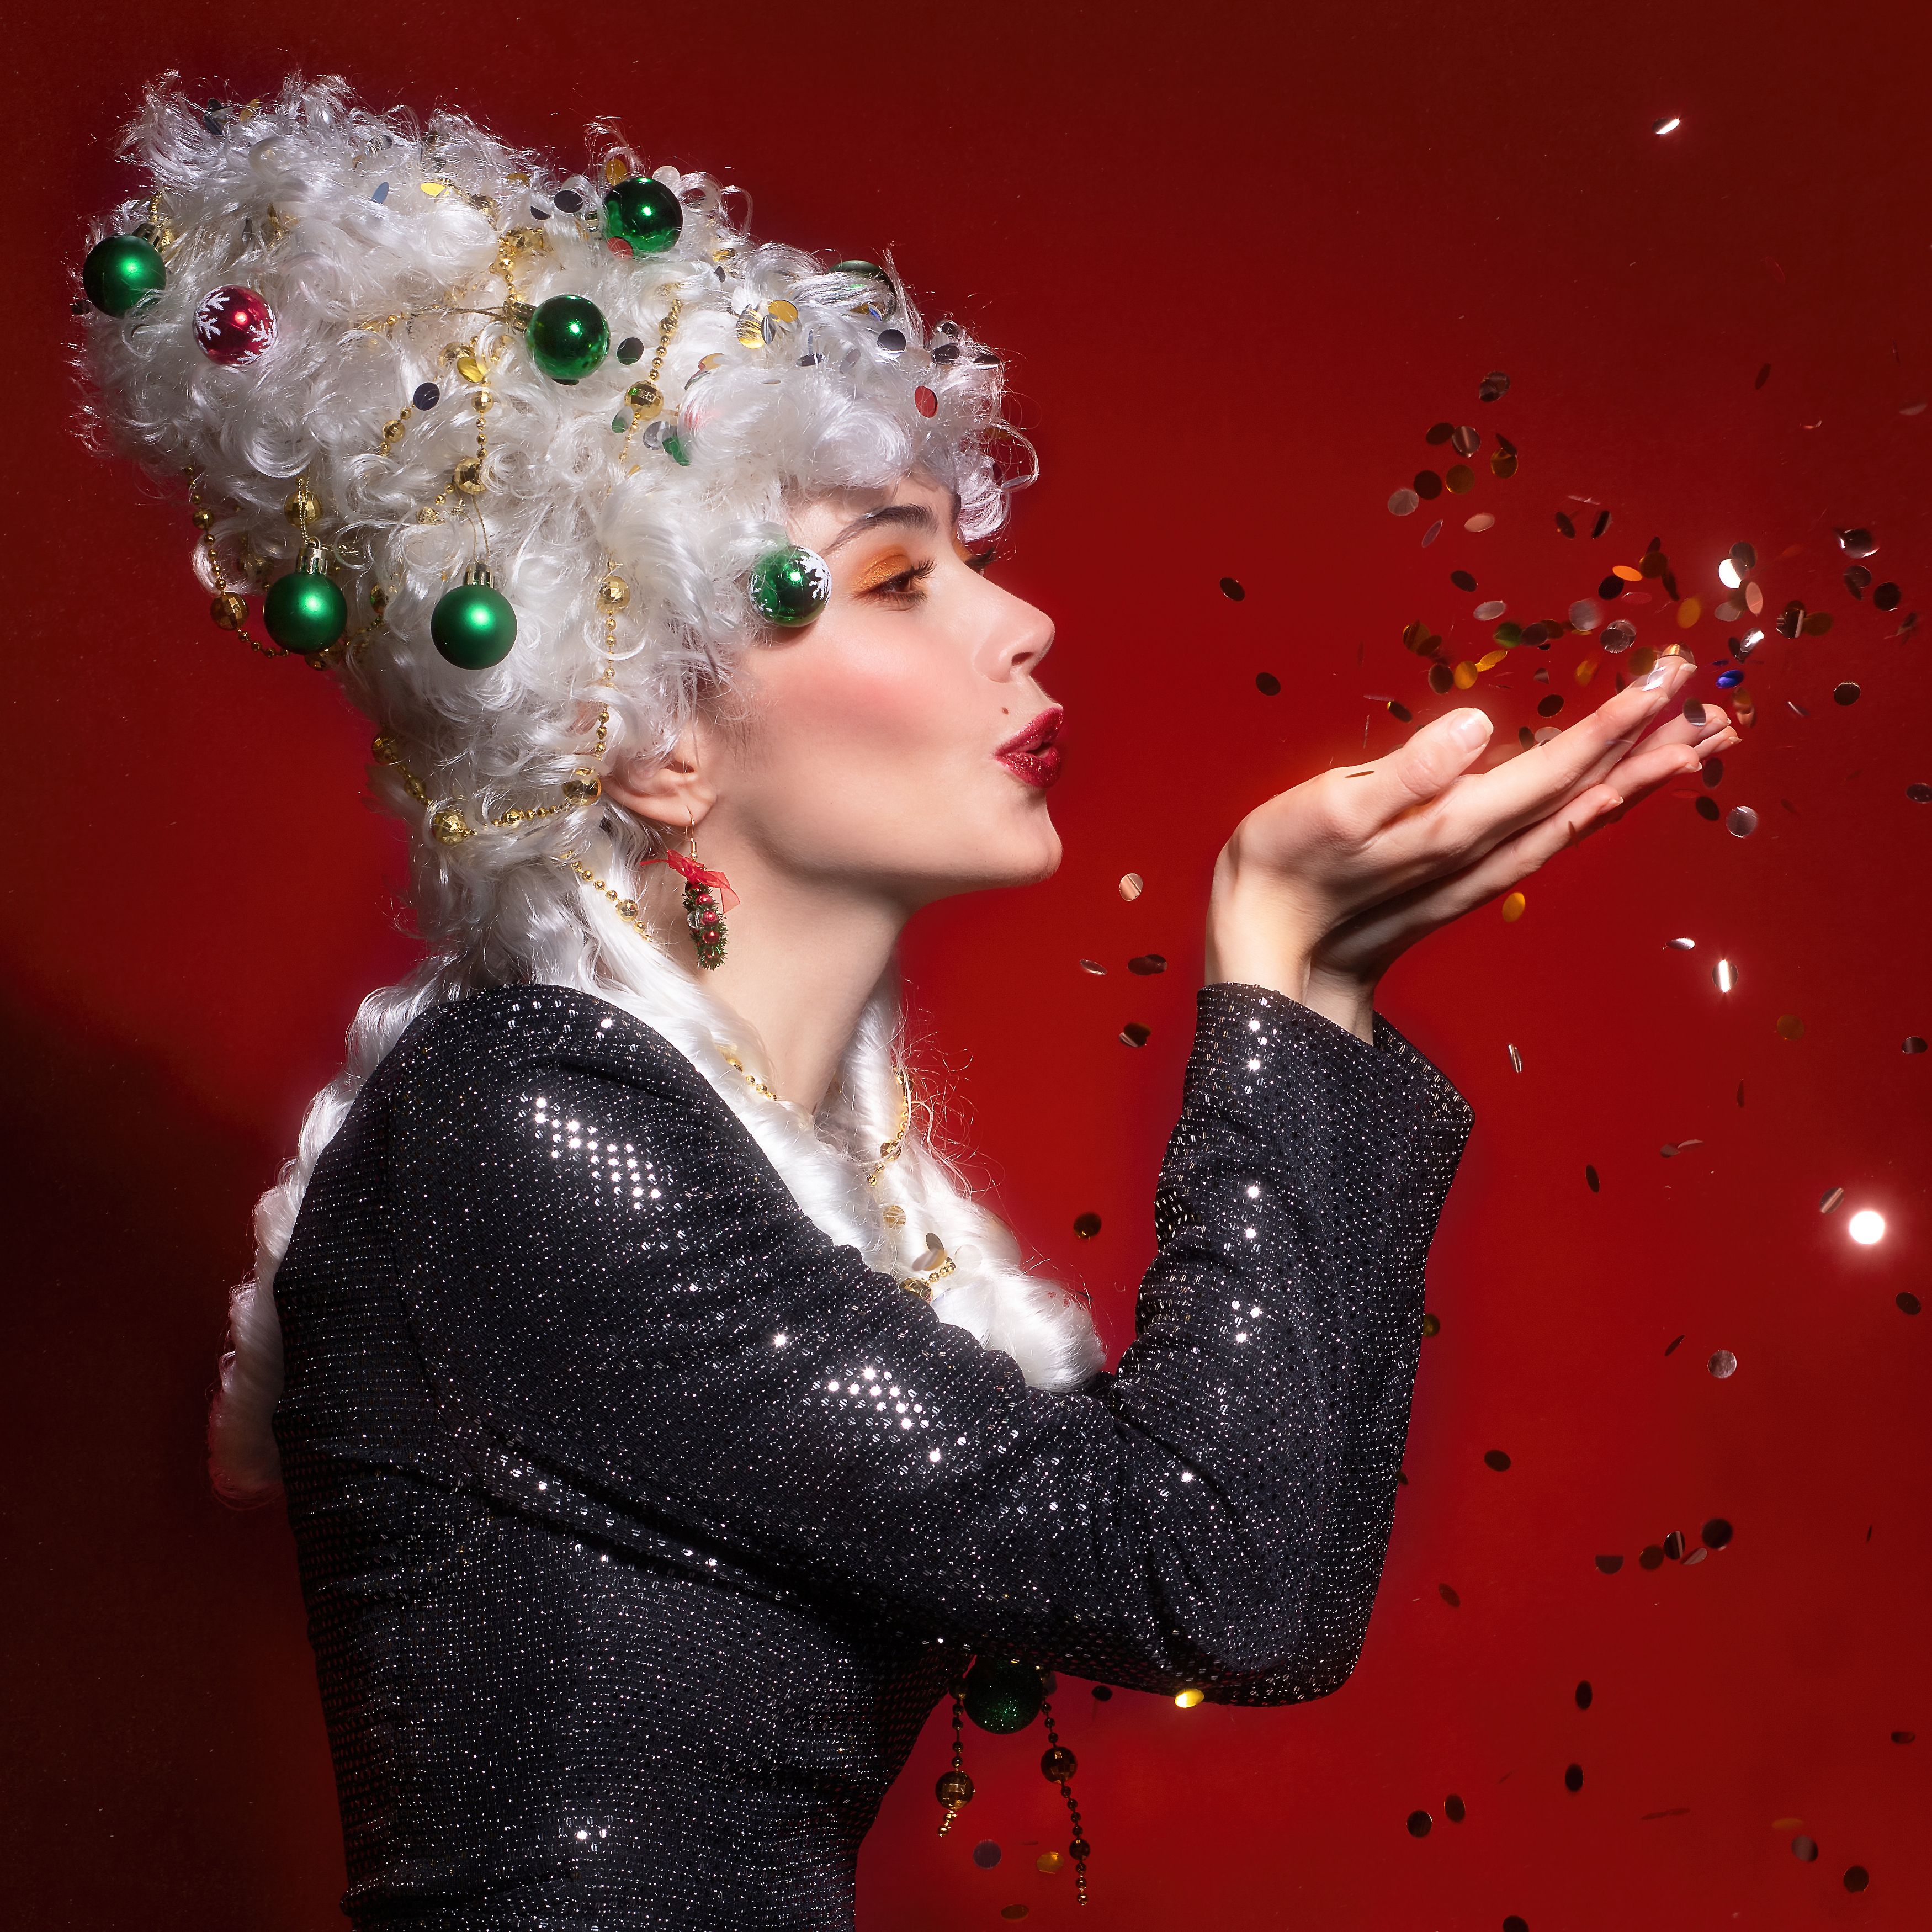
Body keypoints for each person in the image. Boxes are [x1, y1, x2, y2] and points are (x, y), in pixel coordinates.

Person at [77, 75, 1735, 1932]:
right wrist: (1271, 967)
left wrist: (1321, 988)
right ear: (651, 736)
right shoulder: (524, 1124)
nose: (1019, 623)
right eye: (894, 578)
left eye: (972, 558)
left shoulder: (690, 1149)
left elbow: (1263, 1566)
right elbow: (1211, 1573)